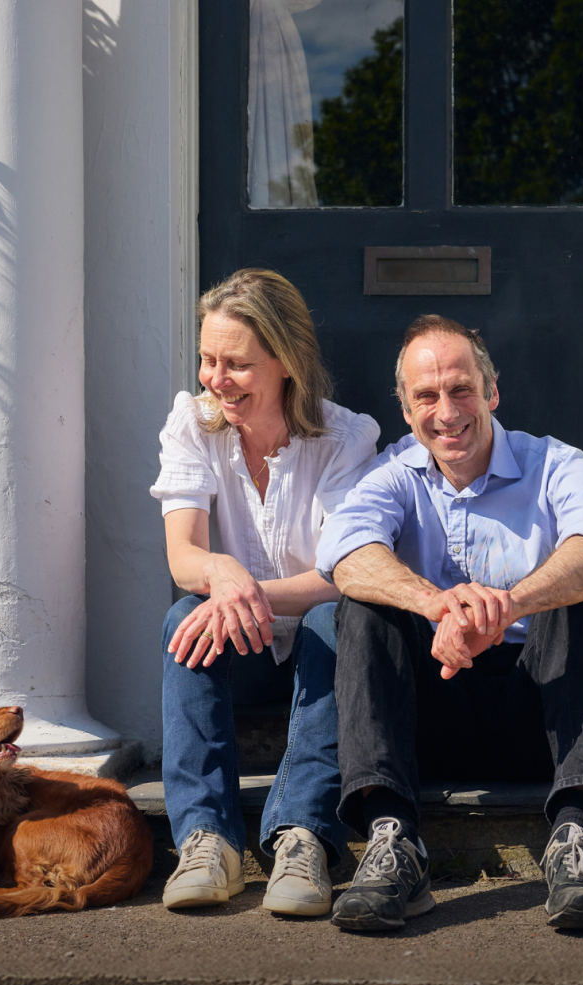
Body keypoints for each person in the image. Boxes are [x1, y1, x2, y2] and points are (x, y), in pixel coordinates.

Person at [314, 314, 583, 932]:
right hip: (429, 719)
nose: (446, 411)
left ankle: (576, 840)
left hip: (537, 717)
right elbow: (343, 552)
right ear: (406, 411)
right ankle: (392, 841)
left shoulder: (556, 464)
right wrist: (438, 605)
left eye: (461, 390)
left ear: (492, 392)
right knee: (362, 601)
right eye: (425, 397)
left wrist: (509, 603)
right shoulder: (393, 473)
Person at [151, 268, 379, 915]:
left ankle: (302, 833)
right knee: (183, 616)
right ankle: (206, 839)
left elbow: (345, 571)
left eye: (236, 365)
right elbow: (183, 554)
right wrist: (220, 575)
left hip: (318, 656)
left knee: (339, 616)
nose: (214, 379)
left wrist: (246, 589)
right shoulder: (192, 424)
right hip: (241, 654)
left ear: (286, 362)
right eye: (207, 360)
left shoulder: (346, 440)